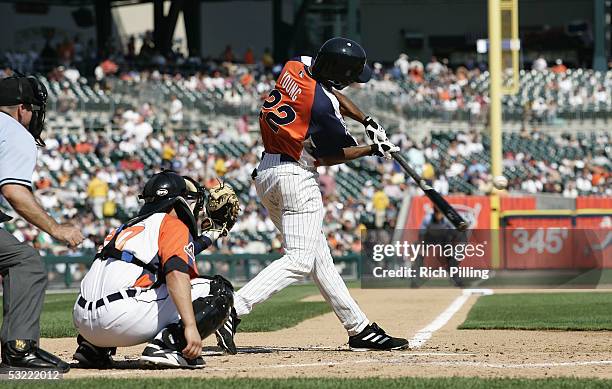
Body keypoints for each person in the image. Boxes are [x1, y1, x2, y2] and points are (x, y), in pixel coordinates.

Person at [214, 37, 409, 354]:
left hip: (267, 173)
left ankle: (359, 329)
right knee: (300, 261)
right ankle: (232, 309)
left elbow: (329, 90)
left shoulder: (297, 65)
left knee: (321, 261)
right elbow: (329, 156)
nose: (351, 82)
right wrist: (374, 148)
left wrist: (366, 120)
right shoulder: (322, 106)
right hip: (295, 178)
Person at [72, 171, 240, 369]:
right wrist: (191, 326)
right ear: (179, 201)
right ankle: (169, 346)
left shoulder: (125, 228)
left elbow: (171, 254)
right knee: (218, 289)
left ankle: (94, 349)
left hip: (83, 321)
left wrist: (210, 236)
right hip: (122, 318)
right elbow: (176, 274)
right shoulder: (172, 223)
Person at [0, 75, 84, 372]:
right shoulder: (13, 129)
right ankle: (19, 350)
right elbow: (13, 190)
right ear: (23, 108)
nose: (35, 116)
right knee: (26, 262)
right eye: (34, 109)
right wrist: (56, 228)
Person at [411, 206, 464, 288]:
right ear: (435, 213)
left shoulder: (447, 219)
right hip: (429, 238)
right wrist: (421, 247)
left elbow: (453, 233)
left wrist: (452, 246)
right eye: (438, 214)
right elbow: (421, 234)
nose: (440, 216)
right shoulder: (427, 219)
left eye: (441, 214)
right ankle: (415, 281)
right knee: (419, 256)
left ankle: (457, 280)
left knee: (451, 258)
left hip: (443, 238)